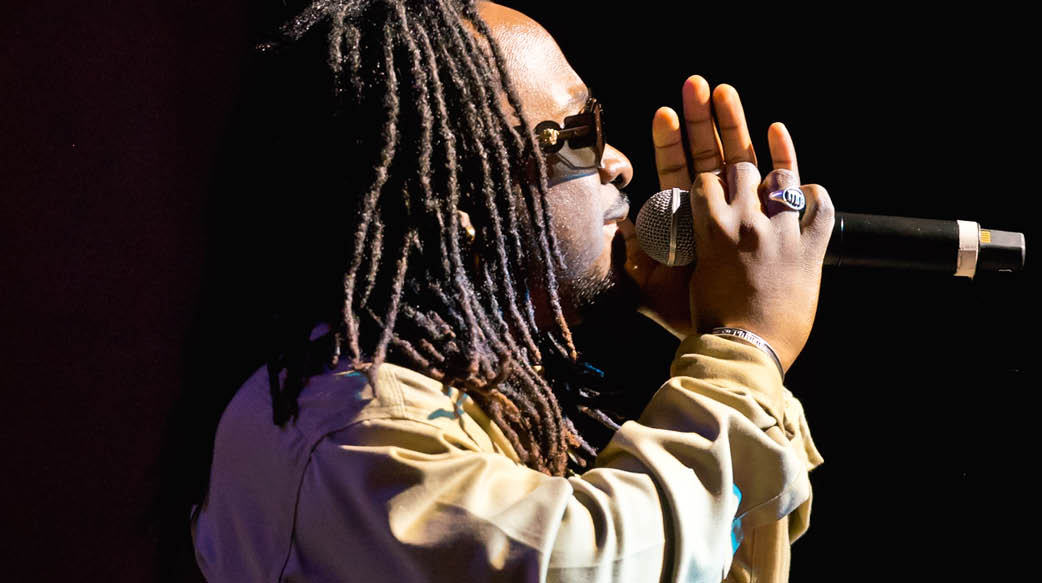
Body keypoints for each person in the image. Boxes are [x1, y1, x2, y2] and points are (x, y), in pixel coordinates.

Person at [184, 1, 834, 581]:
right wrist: (742, 352)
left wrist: (722, 340)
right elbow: (572, 565)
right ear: (452, 202)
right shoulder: (346, 433)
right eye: (578, 132)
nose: (619, 162)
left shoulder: (466, 405)